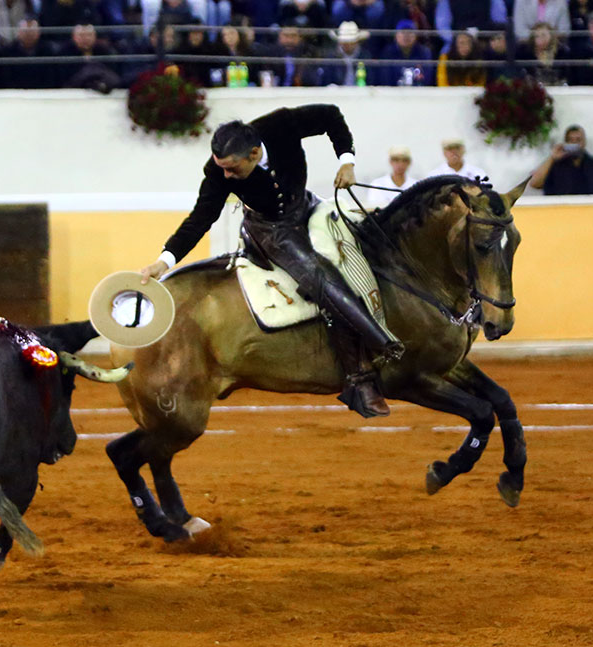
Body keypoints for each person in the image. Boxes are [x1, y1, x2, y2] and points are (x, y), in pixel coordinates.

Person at [138, 106, 404, 418]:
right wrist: (164, 261)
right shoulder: (217, 171)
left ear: (254, 153)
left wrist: (346, 161)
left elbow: (330, 116)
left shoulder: (280, 125)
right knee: (318, 277)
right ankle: (362, 374)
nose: (226, 176)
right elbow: (200, 218)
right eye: (222, 169)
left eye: (232, 169)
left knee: (371, 237)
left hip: (307, 206)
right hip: (272, 231)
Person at [528, 124, 593, 195]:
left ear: (584, 142)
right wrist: (552, 157)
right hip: (560, 209)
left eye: (578, 140)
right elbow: (534, 183)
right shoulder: (554, 166)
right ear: (566, 142)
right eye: (571, 140)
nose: (574, 144)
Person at [374, 18, 434, 86]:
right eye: (403, 32)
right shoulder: (388, 52)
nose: (406, 36)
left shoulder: (424, 52)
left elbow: (427, 78)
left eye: (410, 32)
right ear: (396, 35)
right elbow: (385, 79)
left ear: (416, 36)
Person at [319, 20, 373, 86]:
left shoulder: (364, 56)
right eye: (345, 42)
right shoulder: (332, 57)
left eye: (351, 42)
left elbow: (371, 80)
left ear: (356, 42)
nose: (348, 45)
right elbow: (326, 80)